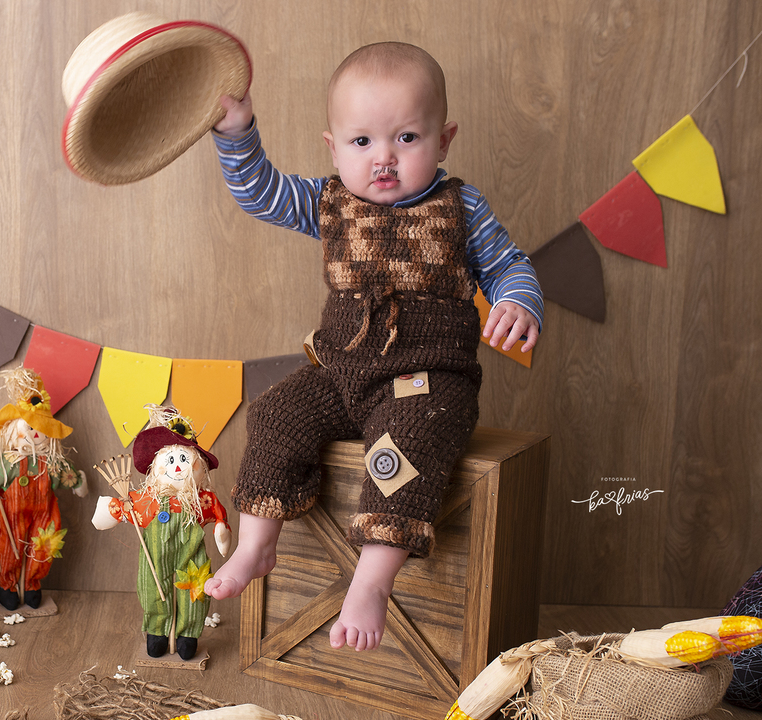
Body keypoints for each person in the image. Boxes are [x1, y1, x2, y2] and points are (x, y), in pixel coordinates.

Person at [202, 42, 543, 653]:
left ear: (444, 139)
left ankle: (373, 579)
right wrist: (237, 131)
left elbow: (508, 264)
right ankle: (257, 541)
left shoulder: (461, 210)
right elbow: (258, 192)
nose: (383, 158)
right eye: (362, 142)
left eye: (407, 138)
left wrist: (518, 302)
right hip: (340, 371)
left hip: (426, 379)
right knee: (276, 413)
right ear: (334, 148)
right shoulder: (330, 203)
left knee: (406, 442)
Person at [91, 406, 230, 660]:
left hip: (192, 557)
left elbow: (218, 514)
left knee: (195, 590)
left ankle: (187, 635)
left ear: (199, 467)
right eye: (171, 461)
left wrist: (221, 529)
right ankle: (157, 632)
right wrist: (111, 510)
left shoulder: (200, 500)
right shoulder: (148, 500)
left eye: (184, 460)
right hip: (156, 556)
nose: (177, 467)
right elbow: (123, 507)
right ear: (156, 468)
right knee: (153, 588)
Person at [0, 367, 87, 610]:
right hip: (13, 513)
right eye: (30, 428)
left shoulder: (51, 461)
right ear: (14, 431)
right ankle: (7, 585)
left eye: (40, 429)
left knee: (44, 545)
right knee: (10, 546)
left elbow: (65, 474)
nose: (35, 433)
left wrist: (78, 482)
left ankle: (32, 585)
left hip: (45, 512)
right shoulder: (6, 462)